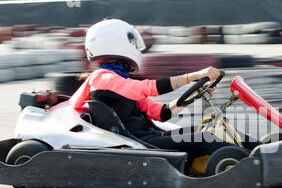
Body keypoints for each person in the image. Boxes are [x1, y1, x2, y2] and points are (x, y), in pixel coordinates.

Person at [70, 19, 260, 172]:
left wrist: (194, 90)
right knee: (205, 138)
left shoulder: (121, 81)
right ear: (115, 42)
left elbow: (162, 113)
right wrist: (193, 76)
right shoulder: (102, 78)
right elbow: (146, 88)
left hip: (151, 134)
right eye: (131, 41)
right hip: (137, 141)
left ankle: (265, 149)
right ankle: (257, 165)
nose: (136, 47)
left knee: (213, 129)